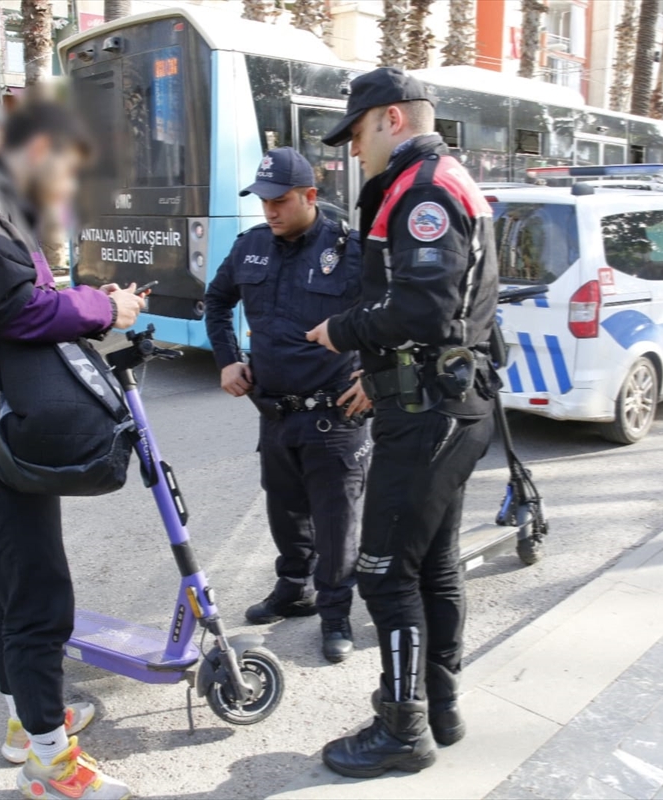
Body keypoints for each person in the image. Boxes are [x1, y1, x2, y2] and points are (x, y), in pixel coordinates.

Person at [0, 100, 146, 800]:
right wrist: (106, 310)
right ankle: (52, 766)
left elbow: (16, 296)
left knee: (10, 584)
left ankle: (24, 725)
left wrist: (87, 298)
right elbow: (12, 309)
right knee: (39, 597)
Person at [306, 67, 499, 778]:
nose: (353, 150)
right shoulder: (445, 177)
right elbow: (451, 314)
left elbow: (421, 308)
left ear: (390, 119)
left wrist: (343, 331)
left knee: (384, 574)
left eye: (356, 133)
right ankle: (439, 707)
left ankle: (402, 729)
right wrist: (379, 369)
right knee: (433, 565)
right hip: (445, 403)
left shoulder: (423, 190)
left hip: (429, 417)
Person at [204, 148, 370, 663]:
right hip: (274, 411)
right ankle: (293, 588)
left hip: (335, 413)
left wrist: (375, 376)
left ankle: (336, 613)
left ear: (310, 196)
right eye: (263, 201)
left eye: (279, 200)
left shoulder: (351, 250)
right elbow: (216, 302)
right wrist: (229, 360)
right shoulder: (252, 246)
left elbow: (393, 313)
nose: (269, 210)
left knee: (336, 520)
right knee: (285, 509)